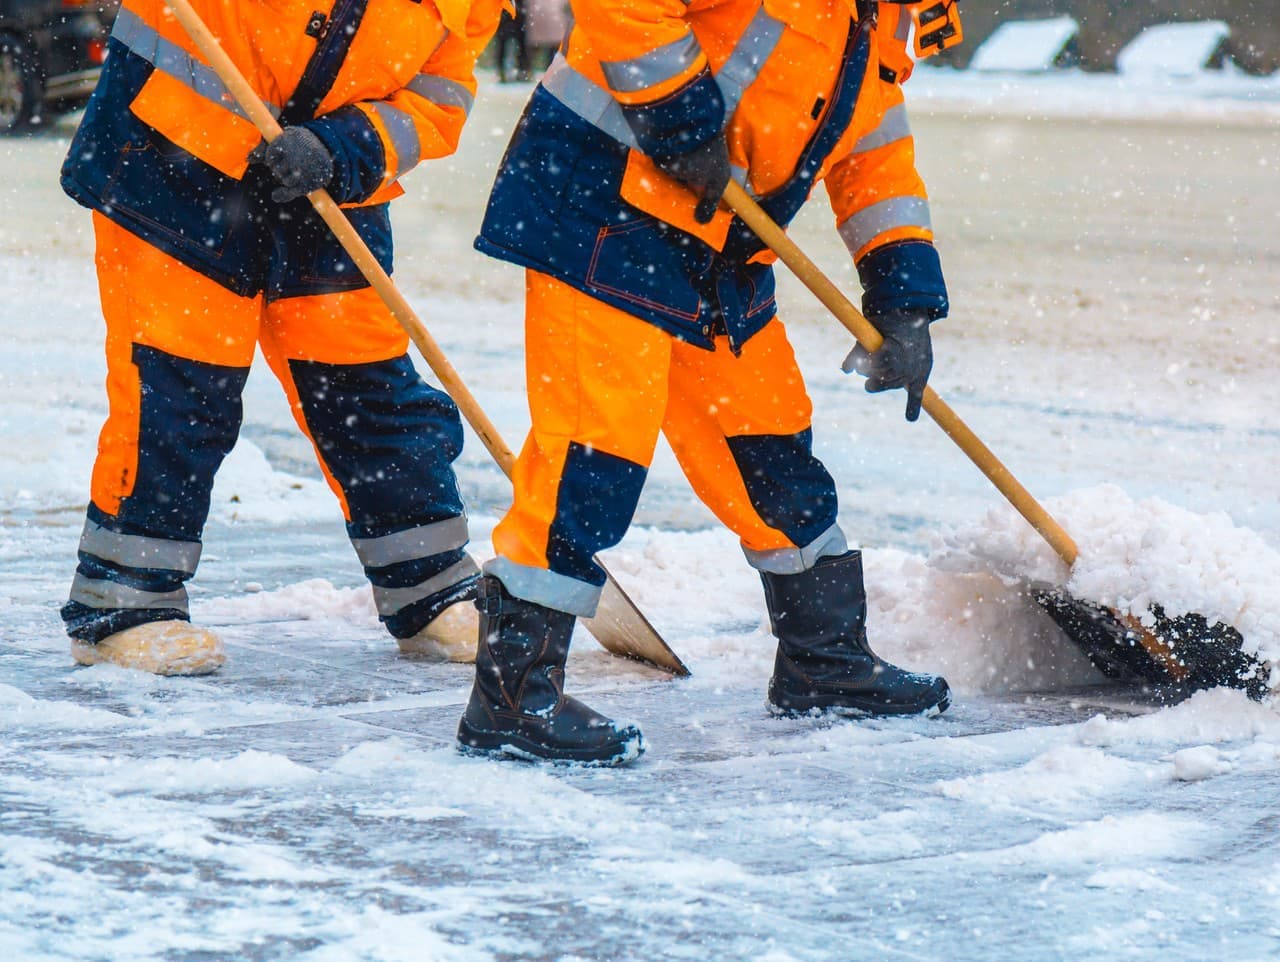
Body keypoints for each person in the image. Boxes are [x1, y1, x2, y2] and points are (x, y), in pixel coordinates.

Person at [461, 0, 965, 765]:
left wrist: (904, 294)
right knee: (594, 452)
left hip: (720, 237)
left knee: (769, 441)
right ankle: (510, 699)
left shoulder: (899, 14)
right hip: (604, 201)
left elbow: (873, 147)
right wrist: (681, 117)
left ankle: (823, 661)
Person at [58, 0, 509, 675]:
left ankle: (431, 589)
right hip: (173, 159)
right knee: (180, 391)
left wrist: (344, 146)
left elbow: (437, 102)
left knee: (367, 387)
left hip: (328, 187)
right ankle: (124, 605)